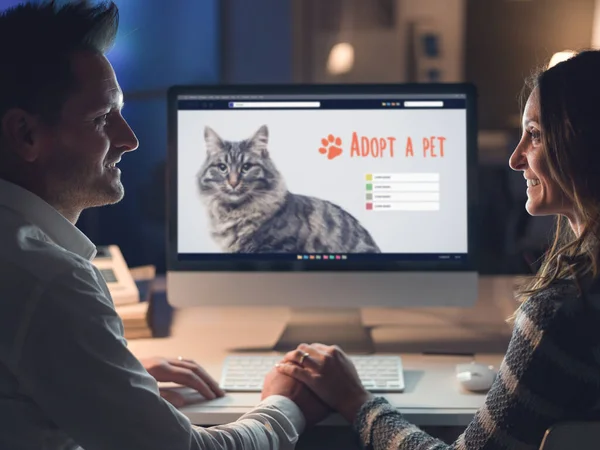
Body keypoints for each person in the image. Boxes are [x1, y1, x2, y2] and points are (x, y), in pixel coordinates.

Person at [0, 1, 329, 449]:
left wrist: (112, 377)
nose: (129, 139)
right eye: (101, 118)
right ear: (25, 135)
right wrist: (285, 405)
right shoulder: (48, 279)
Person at [274, 50, 600, 449]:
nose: (515, 159)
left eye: (534, 134)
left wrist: (353, 399)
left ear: (582, 143)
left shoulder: (564, 311)